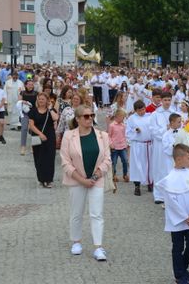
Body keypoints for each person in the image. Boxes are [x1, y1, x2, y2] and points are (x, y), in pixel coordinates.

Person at [60, 105, 111, 261]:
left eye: (92, 115)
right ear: (77, 119)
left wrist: (94, 177)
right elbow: (65, 162)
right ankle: (76, 242)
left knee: (97, 213)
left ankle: (98, 247)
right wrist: (82, 180)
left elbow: (107, 160)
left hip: (97, 180)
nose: (90, 118)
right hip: (77, 180)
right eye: (86, 116)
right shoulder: (69, 136)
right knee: (77, 213)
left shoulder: (102, 135)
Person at [155, 144, 189, 284]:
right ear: (179, 159)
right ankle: (180, 275)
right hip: (178, 220)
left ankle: (182, 269)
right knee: (177, 247)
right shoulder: (170, 179)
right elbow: (171, 202)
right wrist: (185, 217)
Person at [28, 92, 59, 188]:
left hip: (49, 136)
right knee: (38, 158)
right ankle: (41, 179)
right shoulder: (33, 111)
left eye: (43, 99)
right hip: (37, 136)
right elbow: (31, 125)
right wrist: (40, 134)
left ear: (47, 101)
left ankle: (49, 180)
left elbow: (56, 118)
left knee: (49, 158)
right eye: (39, 99)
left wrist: (50, 109)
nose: (41, 101)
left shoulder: (51, 110)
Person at [149, 92, 174, 201]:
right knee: (159, 168)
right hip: (159, 145)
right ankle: (158, 195)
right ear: (161, 101)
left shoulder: (174, 113)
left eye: (169, 100)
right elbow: (153, 131)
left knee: (170, 168)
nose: (167, 102)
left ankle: (170, 193)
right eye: (165, 100)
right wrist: (166, 129)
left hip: (171, 144)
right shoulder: (155, 114)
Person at [126, 100, 153, 196]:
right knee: (138, 166)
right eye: (140, 110)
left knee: (149, 165)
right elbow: (128, 132)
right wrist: (135, 130)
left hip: (149, 145)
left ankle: (150, 183)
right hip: (138, 145)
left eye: (143, 109)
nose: (142, 112)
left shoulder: (150, 116)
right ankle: (137, 186)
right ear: (135, 110)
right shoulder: (132, 119)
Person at [108, 109, 129, 184]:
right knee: (114, 162)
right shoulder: (112, 125)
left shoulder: (123, 125)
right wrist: (110, 144)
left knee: (125, 161)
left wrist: (126, 144)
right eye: (122, 117)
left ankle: (125, 174)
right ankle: (114, 175)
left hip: (122, 146)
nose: (123, 119)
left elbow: (125, 135)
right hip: (114, 147)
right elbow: (109, 136)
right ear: (117, 116)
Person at [19, 79, 38, 155]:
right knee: (24, 129)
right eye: (29, 84)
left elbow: (38, 103)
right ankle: (23, 146)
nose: (31, 86)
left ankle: (34, 146)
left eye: (32, 84)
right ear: (26, 85)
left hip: (34, 113)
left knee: (34, 130)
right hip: (25, 113)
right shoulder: (22, 93)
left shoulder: (36, 93)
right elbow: (19, 101)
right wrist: (24, 102)